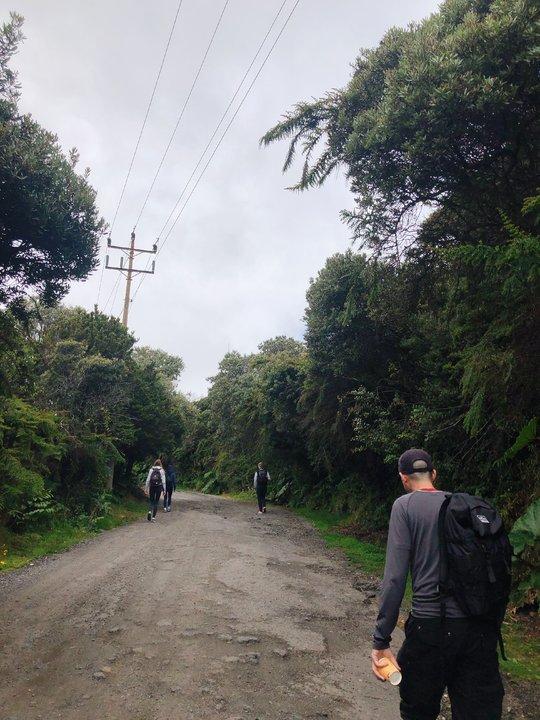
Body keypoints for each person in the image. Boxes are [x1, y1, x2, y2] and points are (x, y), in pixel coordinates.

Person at [371, 448, 504, 720]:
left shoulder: (404, 506)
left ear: (404, 479)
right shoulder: (464, 507)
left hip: (430, 629)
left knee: (418, 711)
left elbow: (395, 579)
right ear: (434, 474)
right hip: (478, 630)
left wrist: (381, 639)